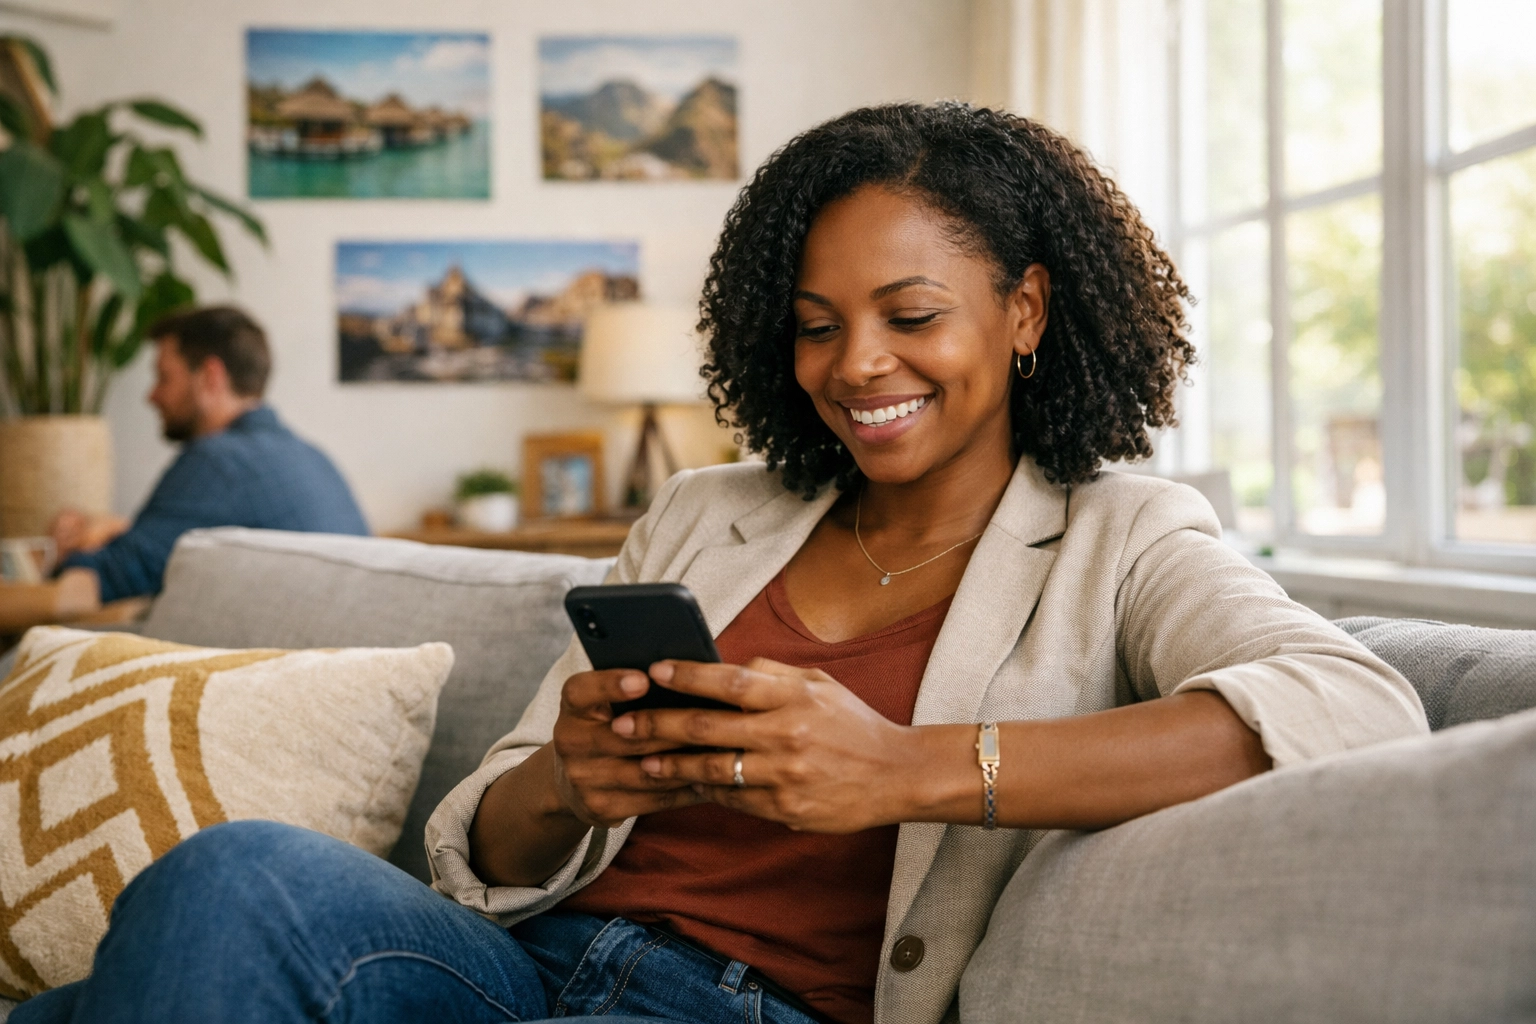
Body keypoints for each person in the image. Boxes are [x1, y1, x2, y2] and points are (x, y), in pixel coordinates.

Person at [14, 104, 1427, 1024]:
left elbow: (1352, 706)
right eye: (816, 325)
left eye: (909, 313)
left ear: (1026, 310)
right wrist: (567, 784)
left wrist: (912, 769)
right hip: (520, 974)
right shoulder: (706, 512)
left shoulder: (1120, 534)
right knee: (232, 881)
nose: (856, 365)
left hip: (749, 1013)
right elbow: (475, 855)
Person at [47, 305, 368, 608]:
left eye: (164, 377)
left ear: (210, 377)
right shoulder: (311, 457)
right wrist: (116, 531)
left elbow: (107, 580)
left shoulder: (217, 461)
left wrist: (63, 554)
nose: (152, 395)